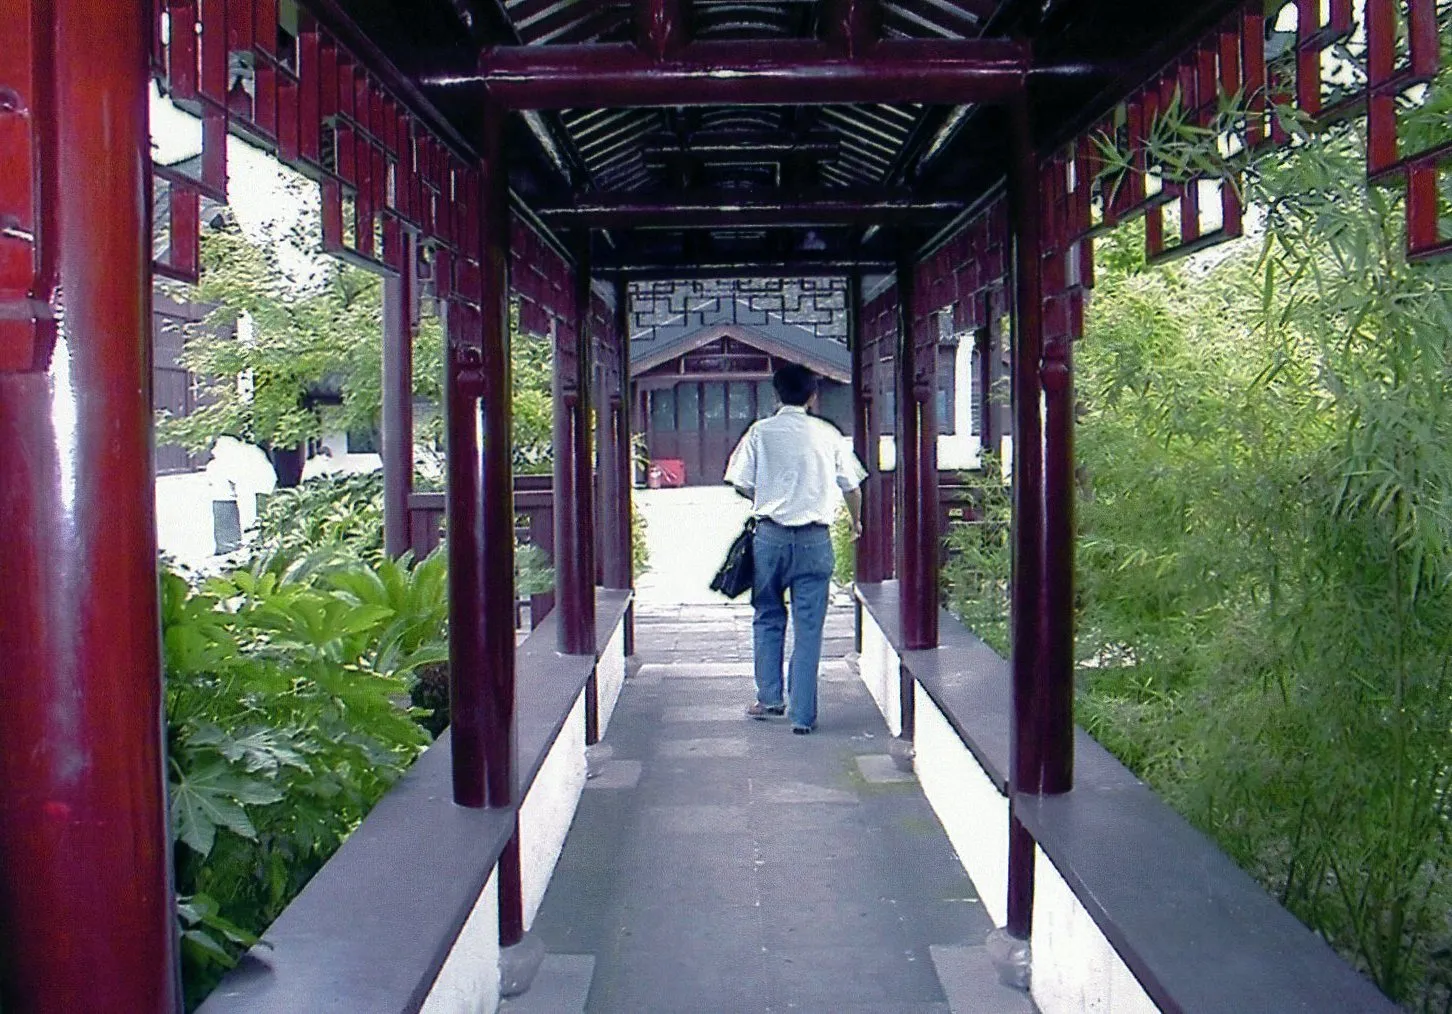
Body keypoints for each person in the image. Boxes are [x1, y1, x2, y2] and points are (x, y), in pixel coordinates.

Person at [724, 364, 867, 735]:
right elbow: (852, 486)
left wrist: (766, 497)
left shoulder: (760, 432)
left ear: (776, 394)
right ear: (812, 395)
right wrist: (856, 522)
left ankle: (770, 698)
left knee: (768, 614)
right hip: (814, 540)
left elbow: (739, 482)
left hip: (769, 537)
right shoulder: (828, 434)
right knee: (809, 628)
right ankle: (803, 715)